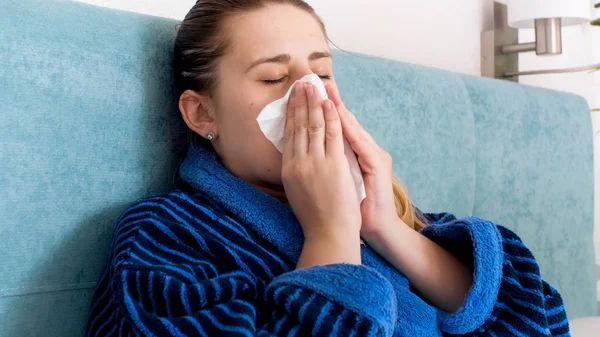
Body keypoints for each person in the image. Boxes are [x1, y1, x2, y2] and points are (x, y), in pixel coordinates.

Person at [86, 1, 570, 336]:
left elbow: (539, 319)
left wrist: (384, 229)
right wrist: (329, 234)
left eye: (321, 74)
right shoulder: (162, 236)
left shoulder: (384, 217)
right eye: (274, 76)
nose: (309, 94)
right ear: (201, 114)